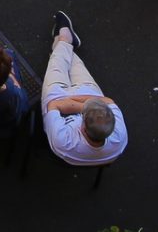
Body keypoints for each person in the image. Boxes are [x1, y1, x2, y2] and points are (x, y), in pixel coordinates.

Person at [42, 11, 126, 165]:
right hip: (75, 97)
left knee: (60, 57)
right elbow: (109, 101)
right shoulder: (118, 136)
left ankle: (63, 41)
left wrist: (85, 105)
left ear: (83, 127)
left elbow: (52, 105)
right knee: (68, 60)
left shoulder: (64, 141)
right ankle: (63, 42)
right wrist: (76, 106)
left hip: (59, 96)